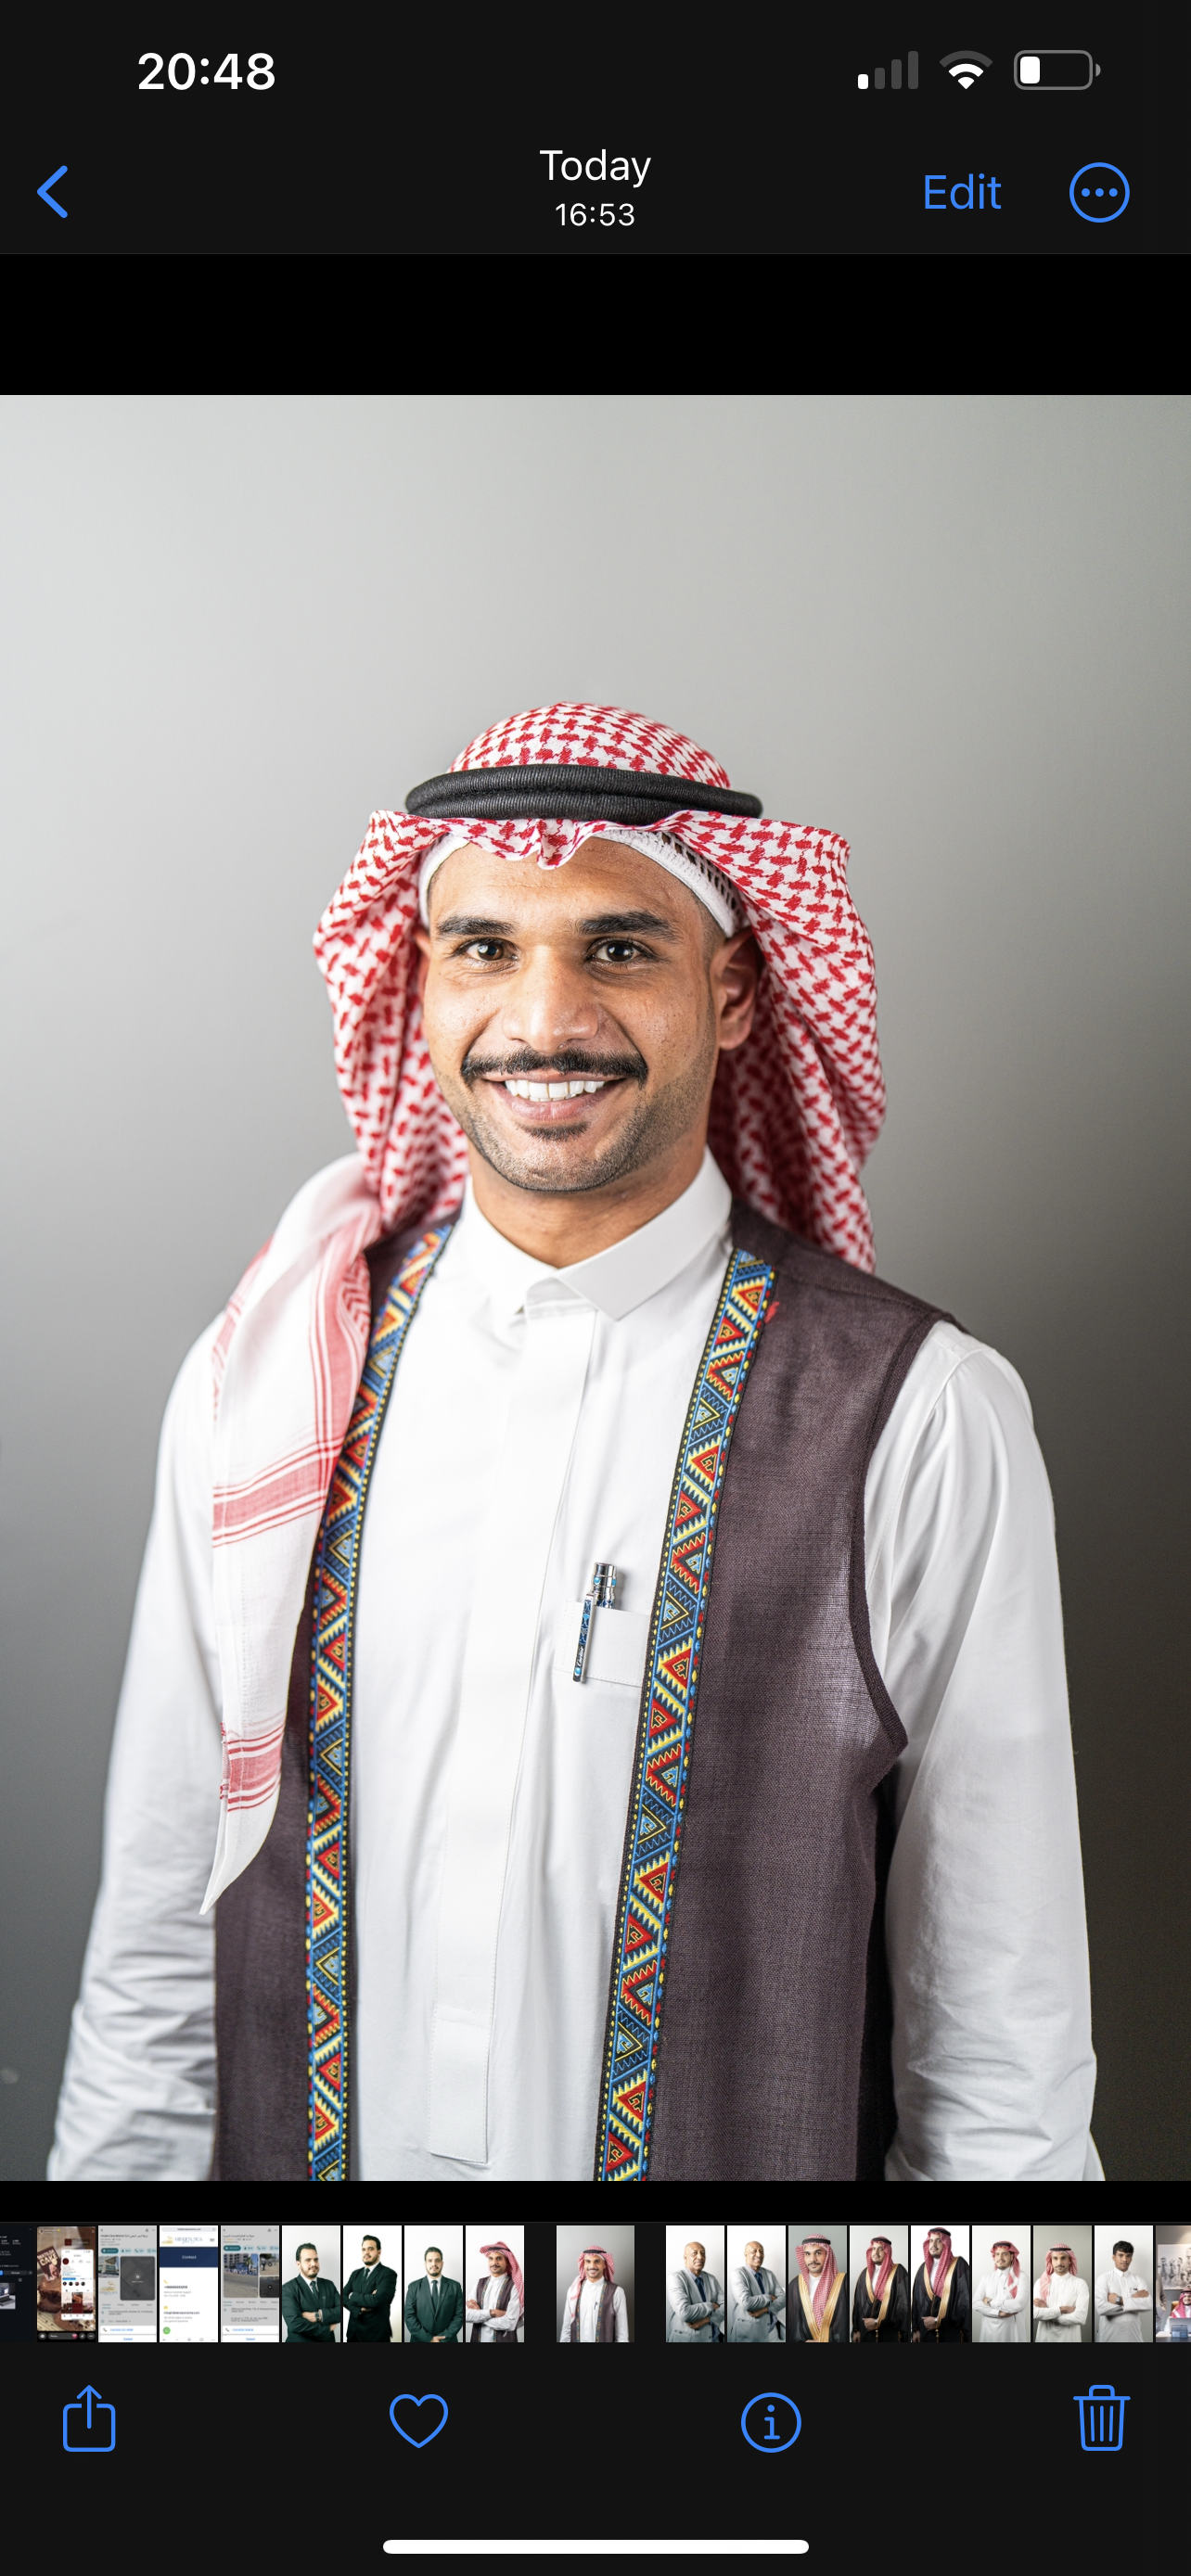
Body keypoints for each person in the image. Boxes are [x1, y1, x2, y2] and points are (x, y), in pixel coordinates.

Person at [50, 702, 1098, 2188]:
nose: (543, 1017)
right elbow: (159, 1947)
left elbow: (1001, 2041)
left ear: (734, 992)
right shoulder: (266, 1383)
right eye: (485, 947)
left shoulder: (919, 1414)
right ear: (416, 985)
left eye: (618, 946)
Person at [912, 2227, 971, 2344]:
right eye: (931, 2240)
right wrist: (915, 2329)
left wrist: (938, 2320)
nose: (933, 2244)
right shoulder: (922, 2269)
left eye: (938, 2240)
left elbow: (965, 2303)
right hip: (925, 2334)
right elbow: (916, 2302)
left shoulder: (959, 2265)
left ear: (946, 2243)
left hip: (950, 2332)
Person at [560, 2245, 629, 2342]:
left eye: (597, 2261)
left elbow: (622, 2335)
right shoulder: (573, 2291)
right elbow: (566, 2329)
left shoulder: (617, 2292)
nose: (592, 2266)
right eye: (588, 2261)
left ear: (604, 2264)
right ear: (583, 2264)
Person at [787, 2236, 848, 2345]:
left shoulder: (843, 2282)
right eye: (807, 2254)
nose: (812, 2259)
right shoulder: (795, 2285)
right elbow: (792, 2323)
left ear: (827, 2255)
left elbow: (844, 2322)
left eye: (818, 2253)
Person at [342, 2233, 399, 2342]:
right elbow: (343, 2297)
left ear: (379, 2251)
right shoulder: (355, 2274)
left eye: (370, 2249)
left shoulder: (388, 2274)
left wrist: (352, 2295)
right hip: (353, 2334)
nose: (366, 2252)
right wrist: (358, 2309)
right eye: (363, 2249)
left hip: (375, 2335)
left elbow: (376, 2300)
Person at [852, 2237, 909, 2343]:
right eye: (874, 2249)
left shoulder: (898, 2272)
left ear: (887, 2252)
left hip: (888, 2334)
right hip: (865, 2334)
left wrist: (879, 2322)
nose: (876, 2252)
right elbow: (858, 2305)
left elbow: (903, 2306)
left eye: (881, 2249)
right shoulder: (864, 2274)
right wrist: (856, 2330)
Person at [404, 2244, 464, 2344]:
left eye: (437, 2260)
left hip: (448, 2341)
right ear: (425, 2264)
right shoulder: (413, 2287)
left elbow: (459, 2316)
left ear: (442, 2263)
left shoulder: (455, 2286)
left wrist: (442, 2339)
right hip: (420, 2340)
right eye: (430, 2260)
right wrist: (429, 2339)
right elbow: (409, 2316)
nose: (434, 2264)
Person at [726, 2239, 785, 2342]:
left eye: (761, 2251)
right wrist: (770, 2297)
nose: (759, 2254)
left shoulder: (769, 2274)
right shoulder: (738, 2274)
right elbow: (746, 2303)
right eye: (754, 2251)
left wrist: (765, 2310)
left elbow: (783, 2299)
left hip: (772, 2331)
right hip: (749, 2333)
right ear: (746, 2254)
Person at [281, 2243, 340, 2342]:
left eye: (316, 2259)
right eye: (308, 2260)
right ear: (298, 2264)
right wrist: (326, 2329)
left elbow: (341, 2311)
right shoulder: (287, 2289)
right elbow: (295, 2324)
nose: (313, 2264)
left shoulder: (329, 2284)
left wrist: (318, 2316)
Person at [467, 2241, 522, 2344]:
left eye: (499, 2258)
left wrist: (479, 2314)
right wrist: (493, 2313)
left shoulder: (514, 2286)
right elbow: (467, 2315)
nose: (494, 2262)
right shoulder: (479, 2283)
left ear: (508, 2262)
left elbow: (510, 2323)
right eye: (491, 2259)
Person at [1095, 2241, 1150, 2344]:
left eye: (1128, 2256)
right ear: (1113, 2257)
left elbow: (1148, 2304)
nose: (1125, 2259)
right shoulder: (1104, 2279)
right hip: (1108, 2337)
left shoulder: (1139, 2280)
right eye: (1121, 2255)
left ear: (1131, 2258)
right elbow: (1101, 2308)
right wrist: (1134, 2299)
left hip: (1134, 2337)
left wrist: (1118, 2300)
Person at [667, 2240, 724, 2342]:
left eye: (703, 2253)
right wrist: (711, 2305)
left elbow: (725, 2307)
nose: (700, 2257)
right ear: (685, 2257)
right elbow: (685, 2312)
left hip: (715, 2338)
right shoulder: (675, 2278)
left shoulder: (712, 2279)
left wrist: (707, 2320)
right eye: (694, 2253)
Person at [1033, 2243, 1089, 2342]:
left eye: (1063, 2258)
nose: (1059, 2262)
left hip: (1070, 2339)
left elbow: (1080, 2318)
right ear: (1051, 2261)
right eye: (1055, 2258)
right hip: (1045, 2338)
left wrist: (1047, 2311)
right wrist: (1064, 2309)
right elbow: (1034, 2314)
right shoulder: (1041, 2283)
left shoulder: (1080, 2284)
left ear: (1070, 2260)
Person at [973, 2239, 1026, 2343]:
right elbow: (975, 2303)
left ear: (1012, 2256)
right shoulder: (986, 2277)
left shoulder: (1022, 2277)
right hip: (988, 2333)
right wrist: (998, 2313)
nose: (1000, 2258)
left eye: (1004, 2254)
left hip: (1012, 2332)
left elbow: (1020, 2305)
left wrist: (989, 2301)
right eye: (997, 2254)